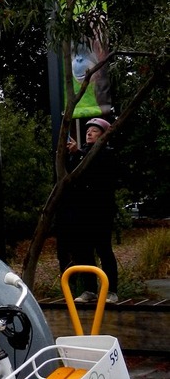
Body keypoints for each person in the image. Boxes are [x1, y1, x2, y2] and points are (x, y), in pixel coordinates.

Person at [63, 117, 119, 304]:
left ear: (103, 136)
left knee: (104, 249)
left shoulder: (107, 153)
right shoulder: (81, 153)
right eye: (88, 130)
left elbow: (96, 170)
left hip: (101, 211)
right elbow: (72, 177)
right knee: (84, 251)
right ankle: (90, 290)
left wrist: (77, 153)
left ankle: (111, 291)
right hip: (82, 211)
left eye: (94, 131)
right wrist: (72, 155)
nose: (89, 133)